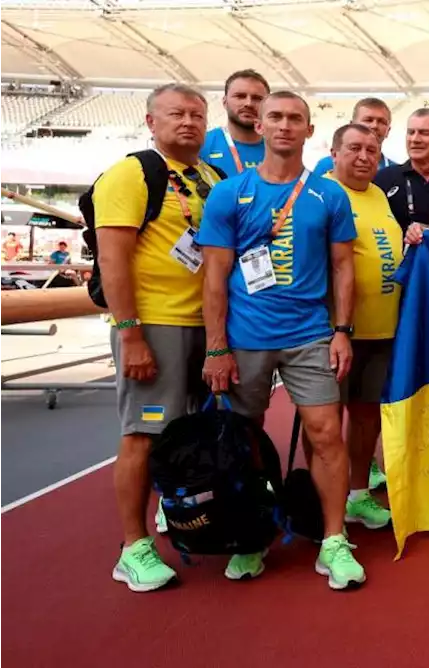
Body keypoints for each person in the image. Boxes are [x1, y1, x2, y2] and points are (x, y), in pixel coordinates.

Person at [197, 91, 365, 590]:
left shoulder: (329, 194)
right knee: (244, 441)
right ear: (261, 125)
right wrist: (216, 346)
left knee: (326, 434)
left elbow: (342, 267)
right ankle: (249, 538)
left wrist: (342, 332)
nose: (286, 126)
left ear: (310, 131)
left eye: (296, 119)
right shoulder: (229, 193)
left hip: (311, 335)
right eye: (276, 117)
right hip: (245, 339)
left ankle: (333, 540)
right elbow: (214, 276)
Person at [98, 83, 221, 593]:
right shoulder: (131, 173)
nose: (188, 122)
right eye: (175, 114)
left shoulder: (210, 178)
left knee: (190, 436)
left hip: (205, 327)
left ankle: (178, 516)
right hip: (155, 326)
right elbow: (112, 259)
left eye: (196, 114)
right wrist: (131, 335)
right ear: (151, 122)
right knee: (144, 437)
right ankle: (133, 546)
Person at [325, 122, 402, 531]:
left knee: (366, 416)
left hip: (381, 330)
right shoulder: (321, 193)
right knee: (325, 421)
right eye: (354, 148)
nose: (363, 157)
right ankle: (328, 505)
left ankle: (357, 495)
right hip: (335, 333)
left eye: (372, 150)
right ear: (334, 152)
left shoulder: (377, 195)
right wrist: (338, 326)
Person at [200, 69, 268, 177]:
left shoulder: (279, 149)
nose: (248, 103)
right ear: (224, 102)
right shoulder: (202, 145)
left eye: (257, 98)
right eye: (240, 96)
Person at [313, 98, 395, 175]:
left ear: (388, 130)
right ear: (352, 126)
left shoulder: (394, 172)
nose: (374, 125)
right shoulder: (327, 165)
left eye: (381, 122)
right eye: (368, 120)